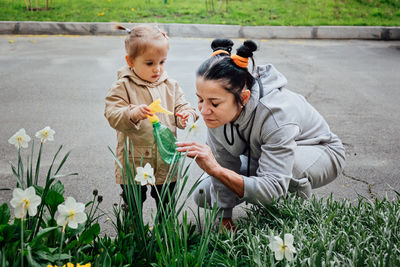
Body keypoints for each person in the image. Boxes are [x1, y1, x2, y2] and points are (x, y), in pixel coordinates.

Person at [176, 39, 345, 231]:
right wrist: (223, 216)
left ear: (244, 97)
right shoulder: (215, 115)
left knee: (288, 171)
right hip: (262, 155)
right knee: (203, 192)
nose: (204, 110)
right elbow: (224, 163)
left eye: (214, 103)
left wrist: (217, 171)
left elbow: (272, 187)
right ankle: (265, 193)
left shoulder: (276, 115)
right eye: (200, 99)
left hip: (321, 150)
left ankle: (295, 220)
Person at [104, 24, 198, 211]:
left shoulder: (171, 85)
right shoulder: (123, 86)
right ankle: (134, 231)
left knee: (166, 201)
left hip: (164, 159)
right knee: (134, 202)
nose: (157, 69)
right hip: (134, 160)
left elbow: (182, 105)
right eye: (150, 63)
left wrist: (186, 115)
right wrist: (132, 114)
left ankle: (164, 232)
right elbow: (112, 114)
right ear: (130, 61)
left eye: (162, 62)